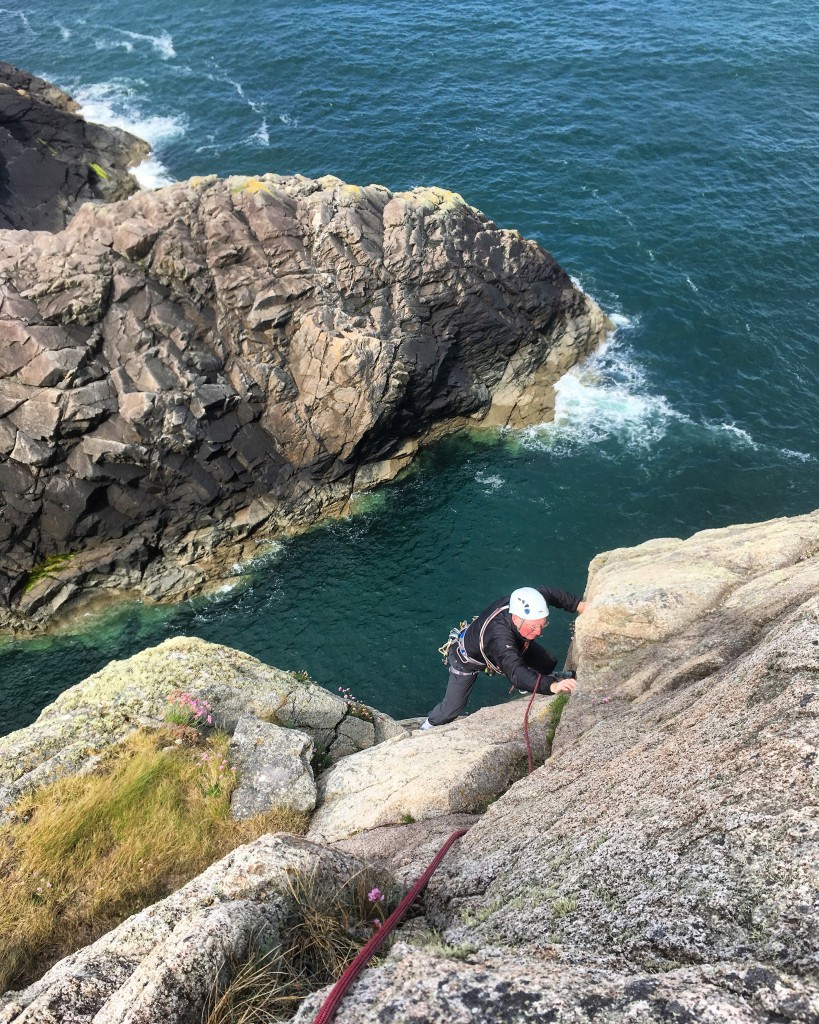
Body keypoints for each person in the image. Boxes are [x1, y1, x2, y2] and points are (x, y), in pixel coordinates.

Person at [421, 585, 587, 728]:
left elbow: (550, 593)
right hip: (465, 660)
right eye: (534, 627)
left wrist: (579, 605)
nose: (539, 632)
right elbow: (514, 672)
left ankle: (530, 682)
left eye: (543, 625)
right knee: (451, 709)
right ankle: (428, 725)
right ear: (516, 618)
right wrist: (552, 686)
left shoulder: (529, 601)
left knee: (548, 663)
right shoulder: (500, 636)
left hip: (512, 642)